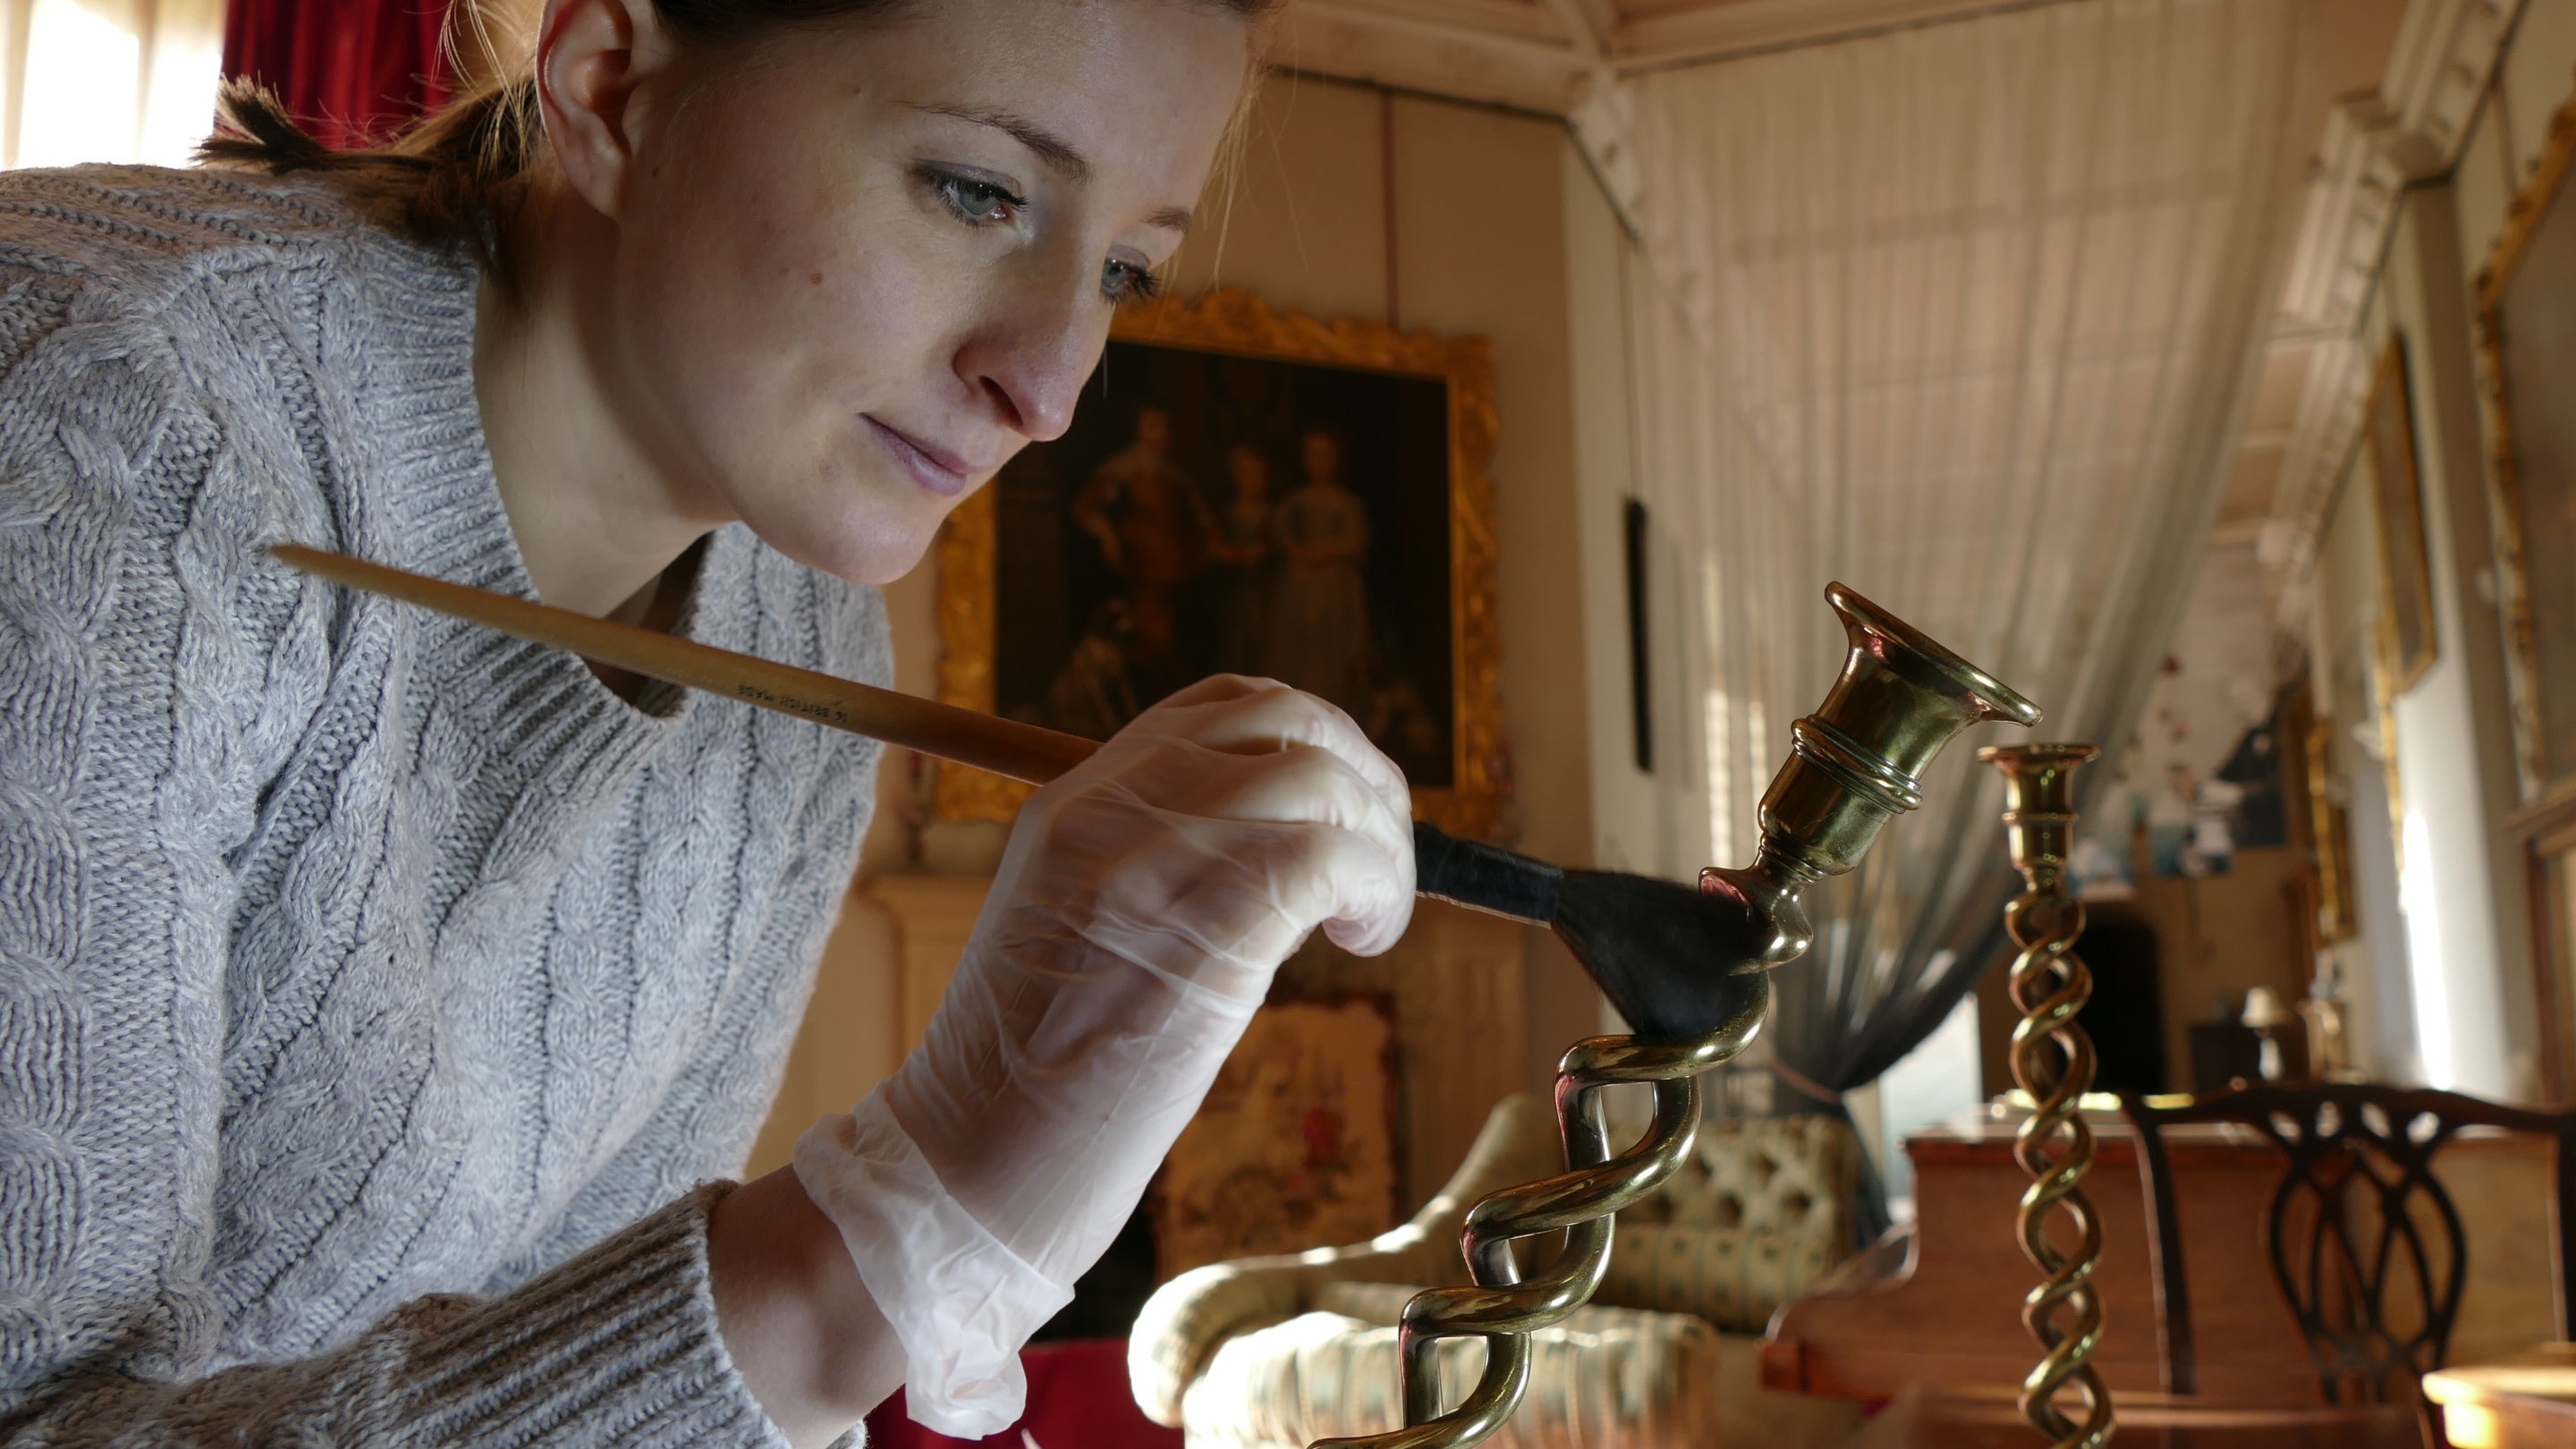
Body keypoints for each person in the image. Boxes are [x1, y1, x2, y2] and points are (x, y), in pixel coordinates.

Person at [0, 3, 1414, 1447]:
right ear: (613, 90)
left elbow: (566, 1396)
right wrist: (875, 1255)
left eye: (1126, 271)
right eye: (978, 191)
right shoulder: (100, 429)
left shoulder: (797, 634)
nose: (1049, 388)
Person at [1259, 428, 1374, 715]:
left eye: (1325, 454)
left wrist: (1323, 553)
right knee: (1298, 657)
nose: (1319, 461)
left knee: (1332, 664)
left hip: (1334, 591)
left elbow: (1356, 540)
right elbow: (1279, 534)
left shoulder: (1347, 503)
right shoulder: (1295, 502)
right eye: (1313, 454)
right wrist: (1299, 552)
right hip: (1299, 590)